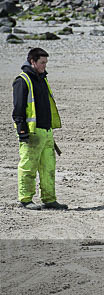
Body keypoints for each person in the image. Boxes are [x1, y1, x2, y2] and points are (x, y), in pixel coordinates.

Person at [13, 48, 67, 210]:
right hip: (32, 133)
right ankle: (25, 199)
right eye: (42, 63)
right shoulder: (22, 81)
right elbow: (18, 109)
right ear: (32, 61)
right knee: (28, 166)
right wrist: (22, 132)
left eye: (46, 63)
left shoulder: (42, 79)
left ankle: (49, 199)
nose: (44, 66)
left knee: (48, 168)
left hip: (46, 131)